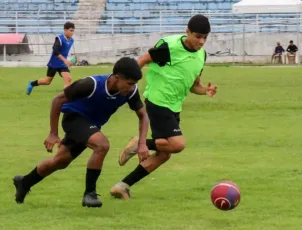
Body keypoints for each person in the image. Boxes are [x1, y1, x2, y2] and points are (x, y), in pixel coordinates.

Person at [14, 57, 149, 207]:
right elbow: (57, 100)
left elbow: (143, 116)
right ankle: (90, 194)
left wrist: (142, 143)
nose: (131, 88)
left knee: (60, 161)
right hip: (74, 118)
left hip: (91, 126)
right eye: (129, 84)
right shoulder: (91, 84)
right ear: (117, 78)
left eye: (134, 84)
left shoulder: (130, 92)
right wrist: (53, 133)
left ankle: (24, 182)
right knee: (102, 145)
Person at [110, 14, 217, 200]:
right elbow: (143, 60)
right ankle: (139, 144)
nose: (201, 41)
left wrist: (205, 90)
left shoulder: (202, 55)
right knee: (177, 144)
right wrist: (127, 84)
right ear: (188, 32)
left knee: (164, 154)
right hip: (158, 101)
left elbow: (194, 85)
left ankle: (122, 186)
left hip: (174, 106)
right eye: (198, 36)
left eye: (205, 37)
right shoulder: (170, 46)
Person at [26, 22, 75, 95]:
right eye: (71, 30)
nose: (72, 32)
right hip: (54, 63)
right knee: (47, 81)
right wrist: (65, 60)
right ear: (65, 30)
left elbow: (65, 51)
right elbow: (55, 51)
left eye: (73, 30)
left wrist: (70, 60)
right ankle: (32, 83)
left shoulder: (71, 40)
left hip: (62, 64)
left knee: (68, 79)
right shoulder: (60, 39)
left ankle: (66, 97)